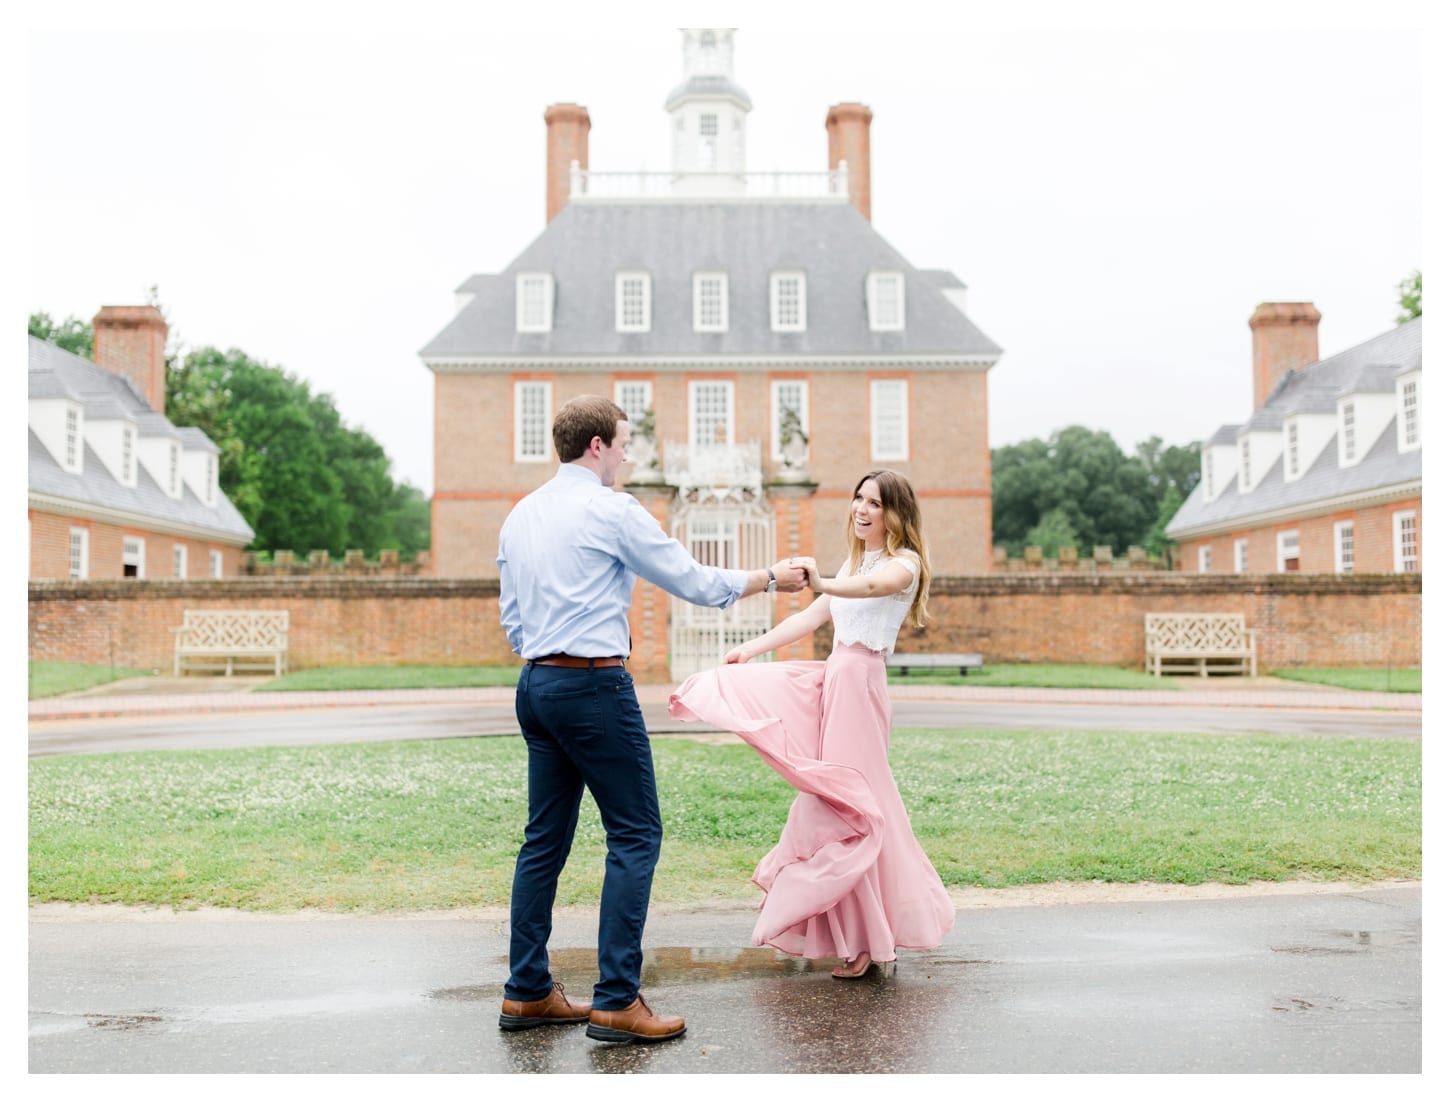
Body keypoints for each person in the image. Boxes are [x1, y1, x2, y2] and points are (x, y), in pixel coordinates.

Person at [496, 395, 808, 1044]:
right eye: (625, 443)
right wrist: (770, 577)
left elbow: (512, 617)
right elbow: (689, 580)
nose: (630, 455)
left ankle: (526, 991)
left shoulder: (520, 516)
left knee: (542, 841)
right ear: (597, 448)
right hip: (592, 685)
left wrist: (543, 660)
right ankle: (616, 999)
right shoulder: (612, 510)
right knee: (635, 834)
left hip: (536, 684)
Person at [668, 469, 955, 978]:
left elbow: (871, 587)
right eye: (859, 498)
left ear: (896, 514)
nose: (862, 509)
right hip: (835, 681)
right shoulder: (855, 561)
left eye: (876, 503)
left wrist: (822, 579)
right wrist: (751, 649)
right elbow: (811, 618)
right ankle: (860, 936)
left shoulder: (903, 565)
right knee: (837, 802)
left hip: (860, 687)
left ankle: (867, 940)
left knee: (851, 808)